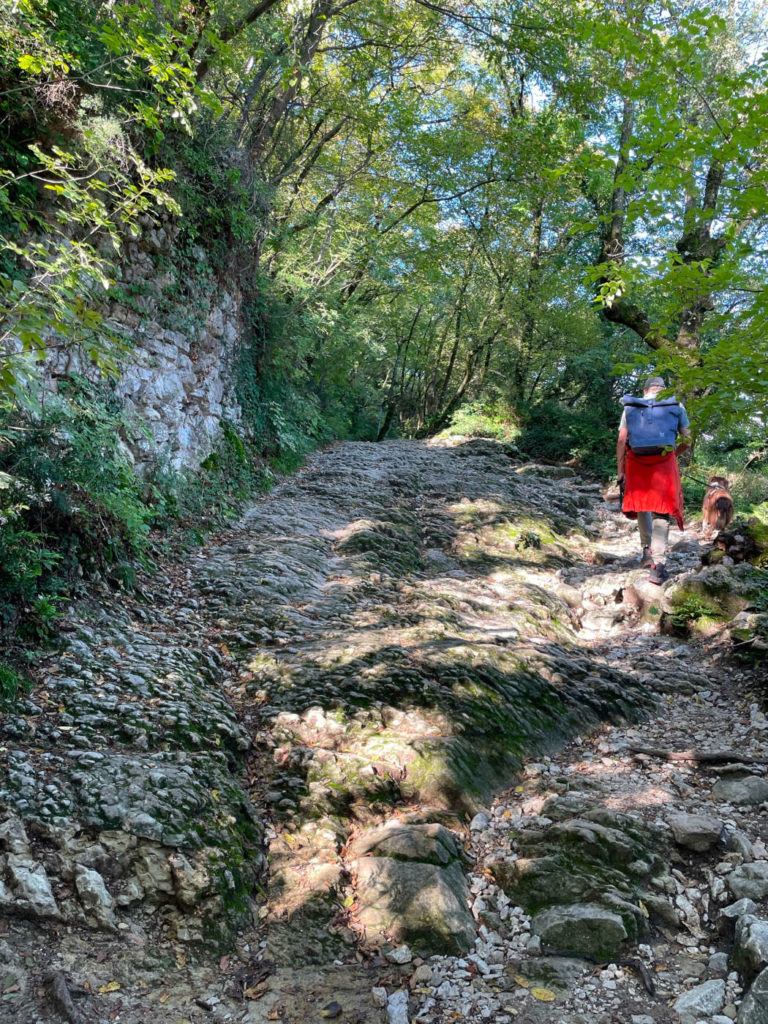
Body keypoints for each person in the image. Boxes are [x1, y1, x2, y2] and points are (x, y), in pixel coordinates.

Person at [616, 376, 691, 584]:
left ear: (645, 390)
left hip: (636, 462)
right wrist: (673, 453)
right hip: (664, 461)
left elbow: (622, 440)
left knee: (642, 505)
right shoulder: (676, 404)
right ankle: (658, 567)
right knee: (662, 510)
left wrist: (620, 471)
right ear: (663, 389)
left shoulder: (630, 407)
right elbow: (687, 439)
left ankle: (647, 551)